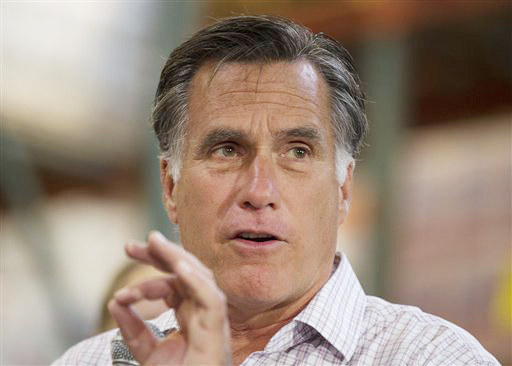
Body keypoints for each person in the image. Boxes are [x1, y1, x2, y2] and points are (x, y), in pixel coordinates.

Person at [52, 15, 499, 366]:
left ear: (343, 188)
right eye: (227, 150)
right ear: (170, 186)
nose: (259, 190)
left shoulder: (430, 358)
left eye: (298, 152)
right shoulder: (91, 362)